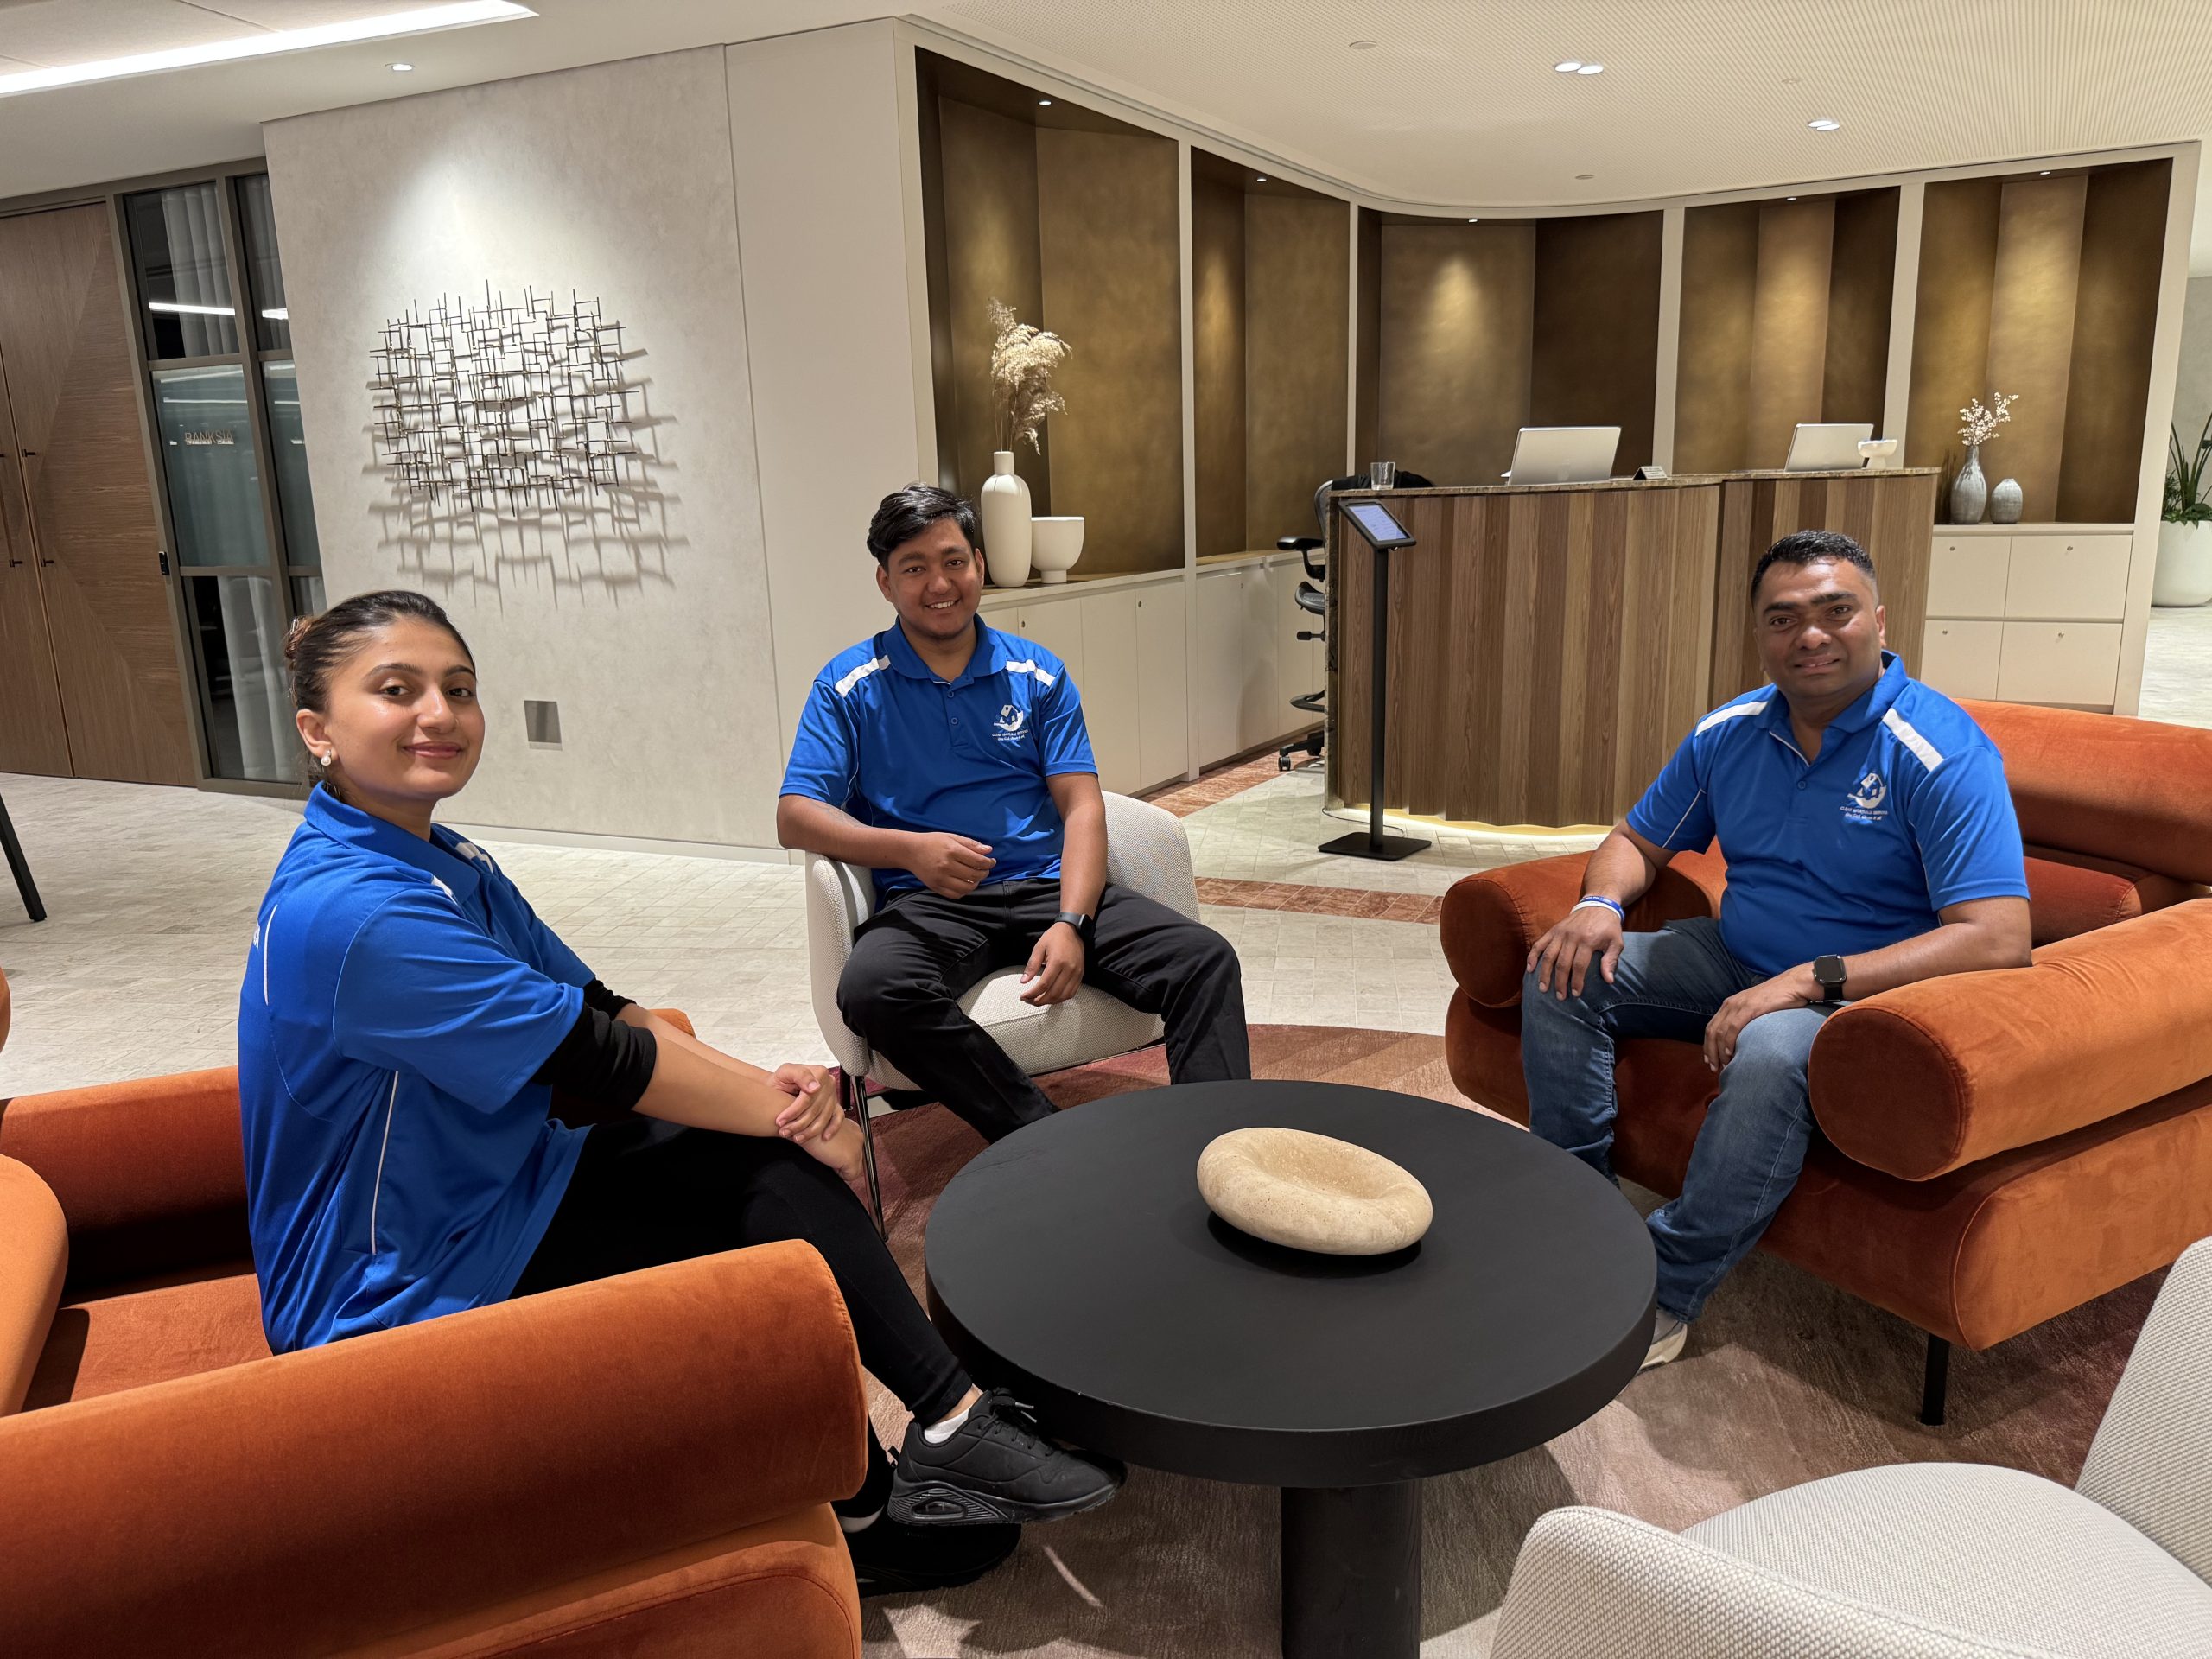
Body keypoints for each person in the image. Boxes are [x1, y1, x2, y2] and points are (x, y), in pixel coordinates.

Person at [237, 589, 1121, 1599]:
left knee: (764, 1164)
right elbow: (602, 1063)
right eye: (396, 690)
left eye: (459, 688)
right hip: (393, 1284)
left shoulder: (443, 859)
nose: (438, 713)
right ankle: (925, 1455)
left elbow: (607, 1008)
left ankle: (925, 1446)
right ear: (317, 729)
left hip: (490, 1191)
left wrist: (774, 1093)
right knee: (766, 1174)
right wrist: (813, 1124)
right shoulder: (355, 913)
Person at [1521, 531, 2031, 1370]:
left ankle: (1664, 1291)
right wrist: (1599, 902)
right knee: (1563, 972)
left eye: (1836, 611)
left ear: (1879, 621)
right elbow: (1636, 841)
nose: (1811, 636)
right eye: (1783, 618)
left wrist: (1807, 982)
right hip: (1735, 956)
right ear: (1759, 634)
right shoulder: (1730, 732)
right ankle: (1575, 1210)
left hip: (1867, 995)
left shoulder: (1937, 751)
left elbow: (1999, 936)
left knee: (1769, 1051)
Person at [777, 482, 1250, 1143]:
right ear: (885, 582)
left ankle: (1222, 1150)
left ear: (979, 564)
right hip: (929, 901)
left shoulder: (1037, 673)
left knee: (1204, 959)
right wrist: (909, 850)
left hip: (1047, 886)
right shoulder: (849, 684)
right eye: (914, 567)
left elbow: (1081, 807)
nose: (939, 583)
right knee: (873, 988)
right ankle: (1041, 1138)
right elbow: (795, 814)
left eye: (954, 561)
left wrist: (1072, 922)